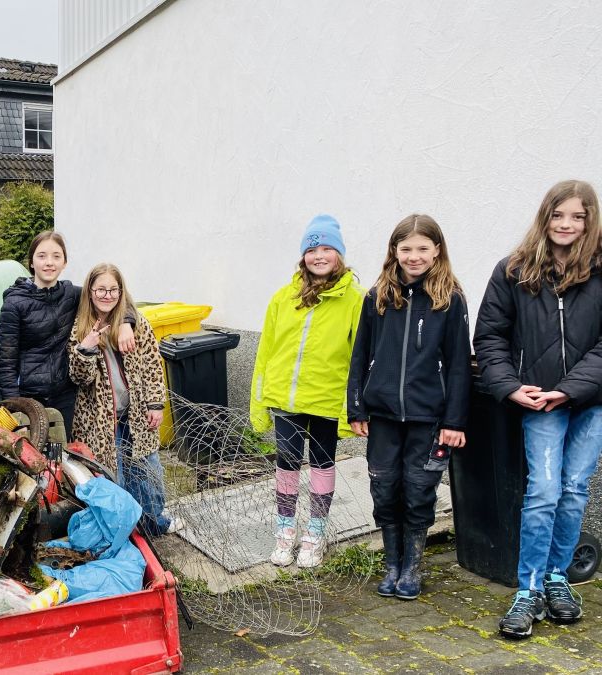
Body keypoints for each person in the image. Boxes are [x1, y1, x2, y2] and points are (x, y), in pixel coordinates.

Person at [475, 180, 602, 640]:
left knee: (572, 489)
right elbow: (489, 337)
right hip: (538, 402)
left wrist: (569, 390)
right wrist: (509, 388)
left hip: (590, 401)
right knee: (544, 491)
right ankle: (527, 590)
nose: (566, 225)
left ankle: (557, 579)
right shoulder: (512, 270)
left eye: (578, 216)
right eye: (558, 215)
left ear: (590, 221)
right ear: (544, 217)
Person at [347, 215, 471, 600]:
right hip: (382, 415)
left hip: (429, 419)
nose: (414, 256)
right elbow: (360, 354)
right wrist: (357, 407)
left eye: (422, 248)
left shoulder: (449, 300)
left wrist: (454, 420)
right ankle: (392, 564)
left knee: (419, 491)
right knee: (384, 488)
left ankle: (412, 567)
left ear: (437, 250)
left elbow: (457, 365)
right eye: (406, 249)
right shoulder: (377, 296)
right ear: (394, 251)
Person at [251, 215, 363, 568]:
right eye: (312, 249)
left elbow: (361, 355)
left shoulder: (354, 300)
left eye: (327, 248)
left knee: (322, 463)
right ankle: (285, 531)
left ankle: (315, 532)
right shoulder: (283, 299)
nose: (319, 255)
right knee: (286, 463)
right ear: (303, 256)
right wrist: (259, 401)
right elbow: (265, 352)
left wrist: (354, 405)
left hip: (327, 400)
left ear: (339, 255)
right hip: (286, 398)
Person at [0, 231, 136, 436]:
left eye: (56, 256)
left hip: (65, 395)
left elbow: (111, 298)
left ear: (65, 263)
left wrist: (125, 322)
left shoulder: (72, 294)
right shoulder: (14, 303)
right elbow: (6, 364)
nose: (49, 262)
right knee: (32, 458)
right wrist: (15, 410)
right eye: (42, 256)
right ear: (32, 262)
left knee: (62, 454)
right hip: (29, 397)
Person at [67, 263, 172, 534]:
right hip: (100, 422)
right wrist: (86, 348)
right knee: (116, 480)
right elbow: (79, 379)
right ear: (90, 291)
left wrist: (155, 404)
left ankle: (154, 525)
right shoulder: (80, 328)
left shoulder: (135, 324)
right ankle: (124, 533)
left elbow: (152, 366)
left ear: (121, 291)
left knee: (149, 476)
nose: (107, 295)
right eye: (100, 289)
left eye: (113, 289)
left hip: (136, 415)